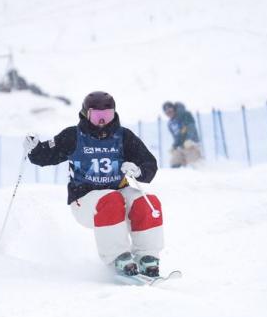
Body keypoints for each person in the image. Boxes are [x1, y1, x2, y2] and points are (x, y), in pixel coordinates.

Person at [24, 91, 164, 277]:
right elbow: (45, 155)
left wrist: (138, 171)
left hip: (117, 193)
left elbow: (149, 163)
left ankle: (147, 257)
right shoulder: (73, 136)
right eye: (97, 116)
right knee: (111, 199)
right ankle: (119, 256)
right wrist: (34, 149)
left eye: (107, 115)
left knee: (147, 202)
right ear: (85, 114)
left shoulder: (123, 137)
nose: (102, 121)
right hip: (85, 199)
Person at [162, 101, 202, 168]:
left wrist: (189, 140)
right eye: (166, 112)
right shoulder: (170, 124)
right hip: (181, 147)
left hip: (191, 144)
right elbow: (177, 137)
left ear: (174, 108)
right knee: (174, 163)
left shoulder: (184, 115)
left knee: (196, 164)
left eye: (170, 110)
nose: (169, 112)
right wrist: (174, 146)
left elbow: (191, 127)